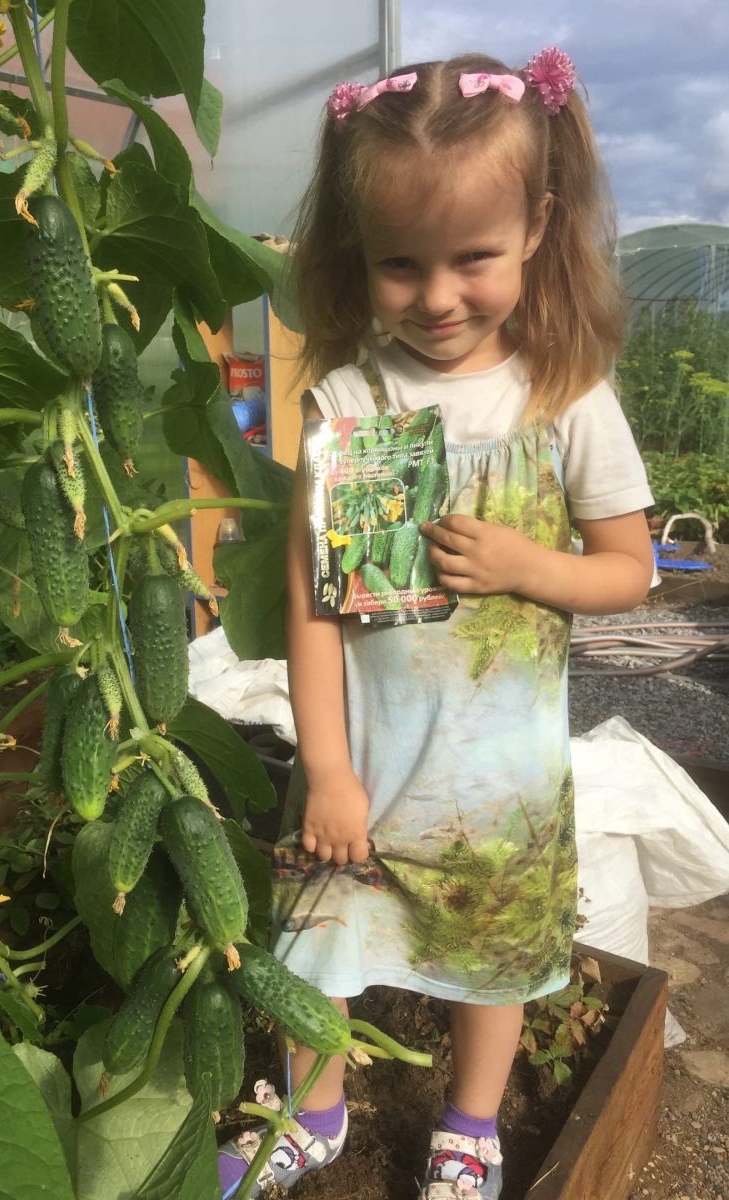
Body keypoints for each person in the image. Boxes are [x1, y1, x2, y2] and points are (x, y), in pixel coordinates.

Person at [217, 48, 654, 1200]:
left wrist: (529, 566)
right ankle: (312, 1115)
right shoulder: (349, 402)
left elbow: (630, 571)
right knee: (314, 939)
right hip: (364, 768)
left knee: (492, 958)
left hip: (496, 784)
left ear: (538, 226)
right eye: (400, 265)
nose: (439, 296)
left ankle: (470, 1127)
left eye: (475, 258)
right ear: (356, 255)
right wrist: (326, 770)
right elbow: (316, 608)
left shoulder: (565, 395)